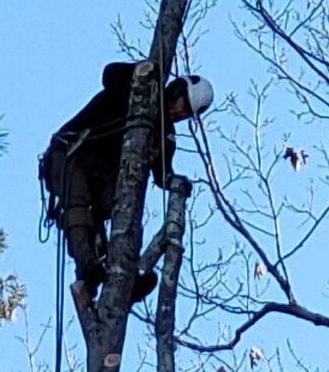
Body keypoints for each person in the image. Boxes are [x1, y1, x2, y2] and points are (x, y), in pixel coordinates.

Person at [42, 61, 214, 305]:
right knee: (78, 205)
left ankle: (124, 277)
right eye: (183, 105)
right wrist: (141, 71)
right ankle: (87, 268)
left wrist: (176, 181)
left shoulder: (164, 136)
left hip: (102, 174)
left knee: (124, 210)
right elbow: (109, 74)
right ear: (176, 91)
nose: (180, 113)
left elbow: (162, 172)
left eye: (187, 114)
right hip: (72, 152)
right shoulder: (138, 90)